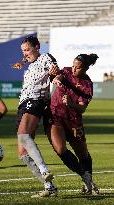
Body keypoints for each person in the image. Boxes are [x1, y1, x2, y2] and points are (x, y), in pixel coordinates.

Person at [46, 53, 99, 195]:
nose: (74, 69)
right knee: (60, 149)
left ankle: (87, 181)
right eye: (73, 65)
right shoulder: (67, 71)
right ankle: (85, 177)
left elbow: (82, 108)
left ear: (86, 69)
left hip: (74, 121)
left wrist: (71, 104)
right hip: (56, 115)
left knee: (83, 154)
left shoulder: (87, 85)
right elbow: (59, 76)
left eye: (78, 67)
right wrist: (56, 79)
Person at [14, 36, 59, 198]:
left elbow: (54, 70)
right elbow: (31, 59)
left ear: (38, 47)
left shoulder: (46, 57)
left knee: (23, 135)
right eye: (23, 51)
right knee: (23, 154)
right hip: (23, 103)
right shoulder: (31, 62)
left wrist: (56, 76)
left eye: (27, 50)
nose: (25, 53)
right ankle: (49, 186)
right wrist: (23, 61)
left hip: (35, 100)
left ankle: (44, 170)